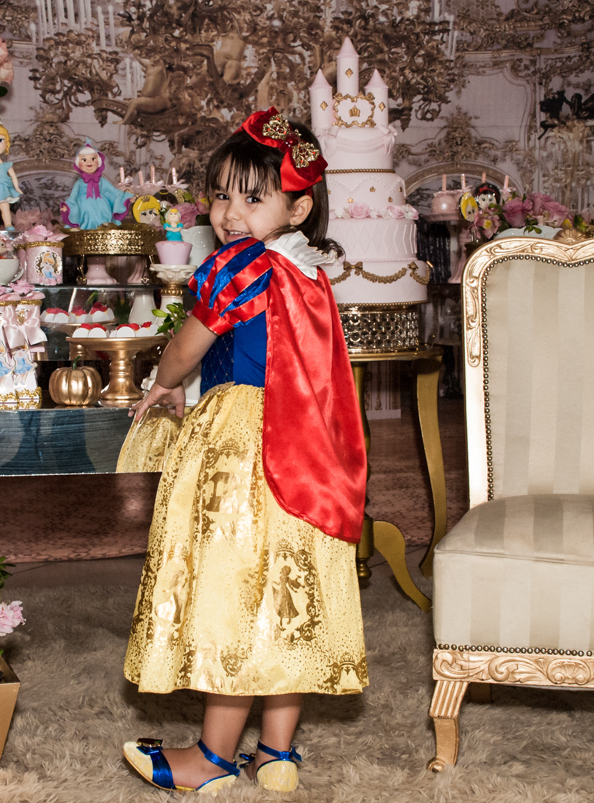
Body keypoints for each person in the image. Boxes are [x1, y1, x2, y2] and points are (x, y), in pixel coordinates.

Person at [122, 107, 368, 795]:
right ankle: (278, 754)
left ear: (298, 207)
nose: (230, 212)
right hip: (309, 448)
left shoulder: (240, 266)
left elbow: (187, 345)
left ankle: (210, 757)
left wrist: (163, 385)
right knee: (285, 592)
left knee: (232, 590)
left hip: (242, 442)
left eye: (252, 197)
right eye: (222, 194)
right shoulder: (313, 272)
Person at [60, 141, 134, 229]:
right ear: (78, 164)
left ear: (98, 162)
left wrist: (127, 197)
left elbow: (114, 193)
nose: (89, 162)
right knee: (86, 220)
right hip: (84, 209)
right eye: (84, 160)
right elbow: (73, 197)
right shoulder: (79, 183)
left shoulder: (102, 181)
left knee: (104, 223)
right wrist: (67, 207)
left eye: (93, 159)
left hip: (102, 208)